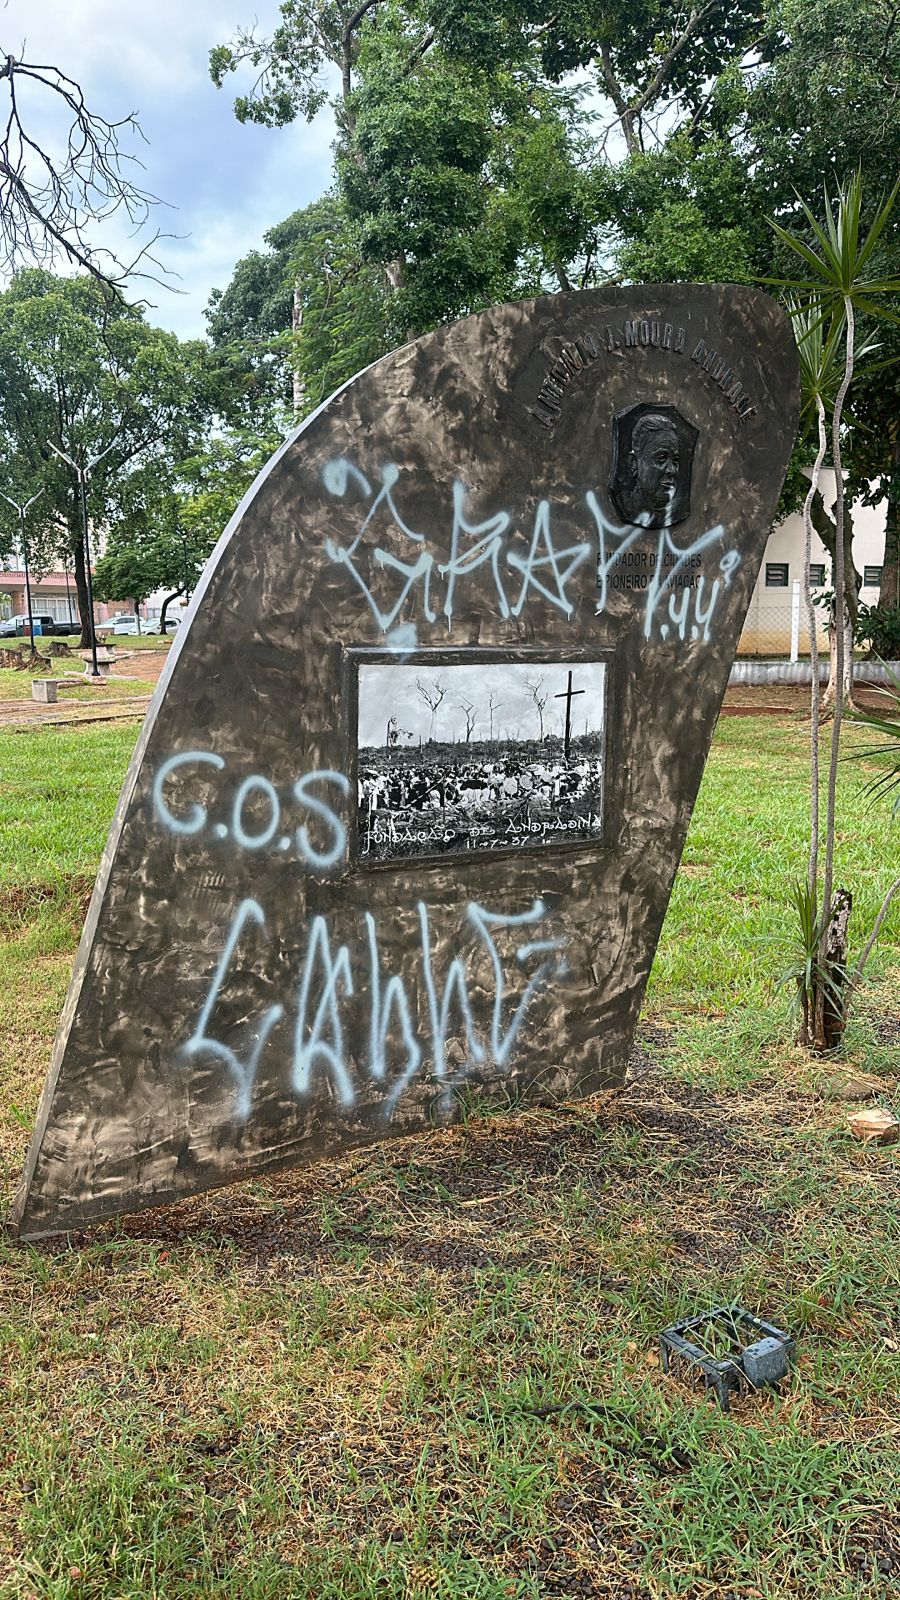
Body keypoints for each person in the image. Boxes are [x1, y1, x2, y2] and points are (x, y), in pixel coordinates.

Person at [615, 413, 680, 528]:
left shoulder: (674, 513)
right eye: (661, 458)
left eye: (675, 461)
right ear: (634, 464)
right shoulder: (628, 508)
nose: (672, 470)